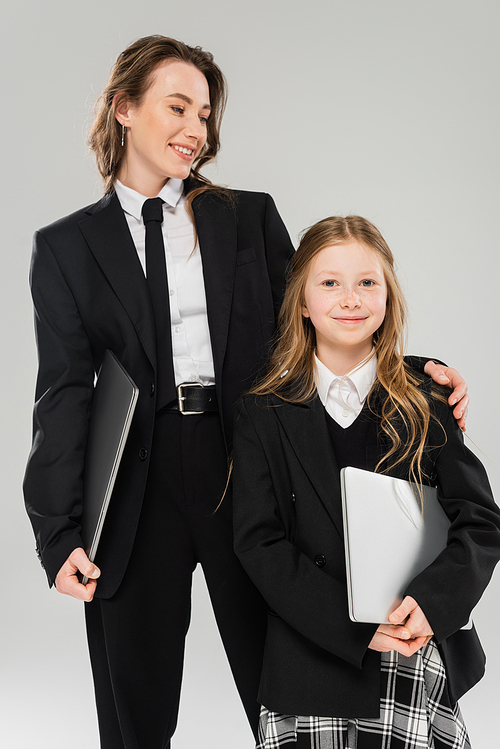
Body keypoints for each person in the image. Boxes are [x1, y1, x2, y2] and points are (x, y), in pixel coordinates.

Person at [23, 35, 469, 749]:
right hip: (137, 486)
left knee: (291, 682)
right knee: (133, 711)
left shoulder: (246, 217)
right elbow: (64, 392)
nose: (197, 130)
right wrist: (57, 532)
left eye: (205, 113)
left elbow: (321, 321)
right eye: (178, 107)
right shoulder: (68, 248)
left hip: (251, 464)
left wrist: (413, 372)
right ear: (124, 109)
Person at [232, 215, 500, 749]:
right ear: (302, 302)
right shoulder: (262, 411)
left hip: (411, 647)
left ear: (388, 296)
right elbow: (259, 543)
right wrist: (351, 624)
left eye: (367, 282)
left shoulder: (426, 399)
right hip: (311, 654)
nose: (350, 298)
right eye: (329, 282)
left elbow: (481, 523)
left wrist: (432, 603)